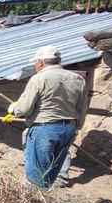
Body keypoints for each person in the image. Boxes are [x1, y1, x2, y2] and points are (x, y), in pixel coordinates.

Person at [5, 45, 88, 188]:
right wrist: (77, 127)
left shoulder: (38, 79)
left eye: (36, 62)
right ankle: (47, 199)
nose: (35, 65)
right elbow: (82, 107)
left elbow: (24, 108)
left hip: (44, 129)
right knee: (51, 172)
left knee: (36, 172)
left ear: (41, 62)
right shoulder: (77, 79)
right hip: (68, 128)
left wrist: (13, 109)